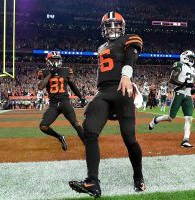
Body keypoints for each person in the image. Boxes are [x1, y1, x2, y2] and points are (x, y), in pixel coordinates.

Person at [69, 11, 146, 198]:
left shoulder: (130, 39)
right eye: (108, 25)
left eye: (116, 25)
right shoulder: (101, 47)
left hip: (122, 89)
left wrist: (126, 76)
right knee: (89, 131)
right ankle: (93, 181)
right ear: (103, 28)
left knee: (129, 138)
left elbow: (130, 58)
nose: (112, 28)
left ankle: (138, 176)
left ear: (123, 27)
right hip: (103, 93)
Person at [37, 51, 85, 151]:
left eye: (56, 60)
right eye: (53, 60)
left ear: (60, 60)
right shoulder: (44, 72)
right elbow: (40, 87)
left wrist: (81, 97)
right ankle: (60, 137)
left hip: (65, 102)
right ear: (48, 61)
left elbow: (72, 85)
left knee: (76, 124)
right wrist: (51, 73)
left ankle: (88, 145)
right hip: (53, 104)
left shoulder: (66, 70)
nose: (55, 62)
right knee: (43, 126)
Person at [149, 50, 195, 148]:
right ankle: (155, 120)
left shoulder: (193, 69)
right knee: (171, 118)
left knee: (189, 118)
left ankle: (185, 140)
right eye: (191, 57)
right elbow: (172, 79)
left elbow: (189, 83)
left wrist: (191, 89)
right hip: (179, 93)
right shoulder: (179, 65)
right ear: (185, 57)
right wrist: (184, 84)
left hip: (187, 96)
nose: (192, 60)